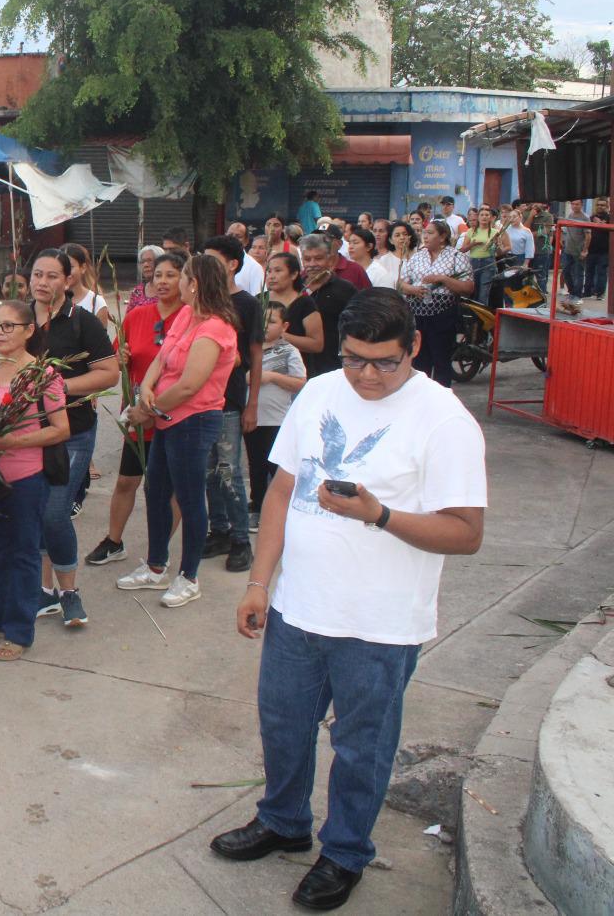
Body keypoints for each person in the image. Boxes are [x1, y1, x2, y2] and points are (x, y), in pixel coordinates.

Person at [213, 290, 486, 911]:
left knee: (362, 746)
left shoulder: (444, 420)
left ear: (414, 347)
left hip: (379, 625)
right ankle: (283, 821)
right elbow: (283, 489)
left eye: (383, 363)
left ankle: (344, 851)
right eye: (354, 358)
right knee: (283, 725)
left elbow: (466, 533)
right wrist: (260, 582)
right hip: (298, 609)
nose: (365, 375)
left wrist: (380, 515)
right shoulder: (320, 392)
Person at [116, 255, 239, 608]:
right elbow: (160, 358)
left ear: (194, 283)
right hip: (165, 416)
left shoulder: (215, 328)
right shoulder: (186, 314)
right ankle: (156, 566)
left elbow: (189, 386)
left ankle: (189, 576)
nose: (167, 283)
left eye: (180, 276)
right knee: (156, 490)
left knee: (188, 497)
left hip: (193, 421)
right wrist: (145, 392)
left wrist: (147, 410)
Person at [0, 301, 69, 661]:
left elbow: (59, 430)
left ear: (28, 331)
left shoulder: (43, 375)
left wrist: (10, 442)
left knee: (24, 552)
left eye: (9, 326)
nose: (0, 333)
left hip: (25, 477)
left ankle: (20, 629)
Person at [27, 250, 120, 626]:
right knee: (34, 512)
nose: (42, 283)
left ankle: (70, 592)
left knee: (54, 511)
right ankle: (43, 591)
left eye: (52, 276)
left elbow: (109, 373)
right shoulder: (17, 319)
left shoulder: (83, 322)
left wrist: (58, 387)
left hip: (74, 432)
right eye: (37, 275)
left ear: (68, 281)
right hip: (25, 433)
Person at [88, 252, 187, 566]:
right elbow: (116, 363)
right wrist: (123, 357)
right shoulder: (137, 316)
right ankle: (114, 540)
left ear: (185, 280)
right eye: (158, 275)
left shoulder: (192, 319)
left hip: (175, 415)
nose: (162, 281)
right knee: (127, 481)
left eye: (171, 275)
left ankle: (159, 549)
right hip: (136, 415)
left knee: (167, 488)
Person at [201, 237, 263, 574]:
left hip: (229, 399)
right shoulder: (201, 302)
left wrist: (252, 404)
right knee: (209, 471)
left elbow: (255, 355)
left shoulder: (248, 304)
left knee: (229, 470)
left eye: (211, 259)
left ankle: (241, 540)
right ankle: (220, 530)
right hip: (200, 399)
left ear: (232, 264)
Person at [245, 303, 306, 527]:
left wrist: (271, 377)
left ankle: (284, 508)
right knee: (255, 465)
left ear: (284, 326)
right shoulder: (250, 349)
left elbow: (300, 382)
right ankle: (258, 506)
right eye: (262, 321)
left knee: (277, 466)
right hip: (252, 417)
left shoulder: (289, 351)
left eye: (271, 321)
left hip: (278, 420)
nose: (265, 326)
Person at [398, 220, 474, 388]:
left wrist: (443, 279)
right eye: (424, 232)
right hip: (418, 314)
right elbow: (401, 284)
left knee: (441, 361)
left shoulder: (456, 257)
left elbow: (468, 287)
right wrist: (413, 289)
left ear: (443, 237)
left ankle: (441, 400)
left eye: (430, 233)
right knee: (419, 362)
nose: (425, 236)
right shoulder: (417, 256)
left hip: (443, 316)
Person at [298, 235, 358, 376]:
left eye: (318, 258)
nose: (312, 264)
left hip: (332, 366)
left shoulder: (346, 290)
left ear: (330, 260)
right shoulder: (294, 286)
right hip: (297, 368)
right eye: (307, 259)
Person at [266, 253, 324, 369]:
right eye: (269, 271)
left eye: (278, 271)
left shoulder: (305, 303)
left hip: (295, 369)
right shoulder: (259, 299)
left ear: (293, 274)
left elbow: (317, 344)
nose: (271, 276)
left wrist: (280, 335)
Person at [61, 242, 113, 329]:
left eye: (70, 267)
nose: (66, 272)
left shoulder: (96, 303)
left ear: (83, 268)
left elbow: (100, 340)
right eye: (61, 266)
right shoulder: (49, 299)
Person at [457, 205, 502, 305]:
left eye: (487, 215)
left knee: (483, 293)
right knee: (473, 292)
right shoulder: (470, 231)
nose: (484, 217)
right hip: (474, 263)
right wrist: (473, 244)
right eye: (482, 215)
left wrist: (497, 245)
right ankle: (473, 316)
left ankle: (481, 318)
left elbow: (499, 253)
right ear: (478, 217)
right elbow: (462, 250)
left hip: (488, 263)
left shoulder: (495, 232)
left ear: (490, 217)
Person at [321, 224, 371, 291]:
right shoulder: (311, 268)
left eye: (326, 240)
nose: (321, 244)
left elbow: (367, 298)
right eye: (317, 240)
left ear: (339, 244)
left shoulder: (355, 270)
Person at [560, 200, 590, 304]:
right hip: (568, 249)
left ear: (581, 205)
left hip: (578, 250)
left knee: (578, 273)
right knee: (566, 271)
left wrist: (584, 250)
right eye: (572, 204)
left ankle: (578, 296)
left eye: (577, 204)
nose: (574, 206)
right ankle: (572, 292)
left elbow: (588, 235)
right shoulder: (570, 215)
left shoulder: (585, 217)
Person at [126, 245, 165, 311]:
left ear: (161, 262)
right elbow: (128, 318)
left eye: (150, 260)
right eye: (143, 262)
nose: (145, 265)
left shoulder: (168, 290)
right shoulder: (137, 291)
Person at [586, 200, 610, 299]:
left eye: (603, 205)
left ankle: (600, 293)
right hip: (591, 249)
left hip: (604, 250)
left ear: (607, 206)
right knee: (589, 272)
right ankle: (588, 292)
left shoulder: (610, 218)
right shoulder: (591, 218)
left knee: (601, 272)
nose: (600, 207)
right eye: (598, 205)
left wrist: (600, 223)